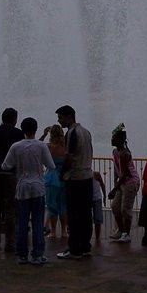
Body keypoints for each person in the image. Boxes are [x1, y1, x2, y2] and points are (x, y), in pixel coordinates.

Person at [1, 116, 55, 264]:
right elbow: (51, 165)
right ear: (36, 129)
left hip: (22, 188)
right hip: (38, 187)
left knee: (22, 222)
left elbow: (6, 165)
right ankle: (38, 254)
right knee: (38, 222)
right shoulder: (41, 146)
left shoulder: (16, 147)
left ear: (22, 129)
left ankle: (22, 254)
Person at [55, 104, 94, 260]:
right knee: (85, 214)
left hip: (75, 178)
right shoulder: (86, 132)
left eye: (60, 118)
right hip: (87, 177)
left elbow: (69, 157)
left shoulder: (71, 133)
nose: (59, 122)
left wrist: (62, 173)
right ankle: (85, 246)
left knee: (74, 214)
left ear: (69, 116)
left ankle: (74, 249)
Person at [0, 108, 23, 253]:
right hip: (10, 174)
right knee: (10, 209)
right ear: (14, 119)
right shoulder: (18, 133)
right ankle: (10, 243)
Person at [107, 123, 139, 243]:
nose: (111, 140)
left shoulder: (125, 154)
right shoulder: (115, 152)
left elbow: (125, 173)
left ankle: (126, 233)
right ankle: (121, 230)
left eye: (113, 138)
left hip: (130, 182)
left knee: (125, 208)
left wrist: (114, 189)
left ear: (119, 139)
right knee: (115, 207)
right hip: (122, 183)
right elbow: (117, 169)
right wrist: (116, 184)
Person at [41, 124, 67, 239]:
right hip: (64, 176)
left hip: (52, 177)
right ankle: (64, 231)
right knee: (63, 205)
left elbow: (37, 145)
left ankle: (53, 231)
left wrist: (43, 134)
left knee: (52, 205)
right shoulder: (65, 146)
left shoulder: (49, 146)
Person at [92, 170, 107, 242]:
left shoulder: (96, 174)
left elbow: (102, 185)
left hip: (97, 198)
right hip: (89, 199)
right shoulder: (85, 175)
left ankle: (97, 238)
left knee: (98, 219)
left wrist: (104, 196)